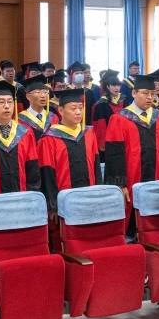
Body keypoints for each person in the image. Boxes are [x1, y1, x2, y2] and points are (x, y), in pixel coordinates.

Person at [104, 74, 159, 237]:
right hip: (131, 178)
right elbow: (114, 155)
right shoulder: (119, 118)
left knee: (156, 221)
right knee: (132, 222)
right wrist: (119, 184)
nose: (150, 97)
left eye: (153, 93)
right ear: (134, 93)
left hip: (158, 176)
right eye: (145, 93)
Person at [38, 88, 102, 223]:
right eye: (73, 108)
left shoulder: (88, 133)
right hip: (64, 201)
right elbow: (47, 174)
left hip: (90, 196)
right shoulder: (49, 139)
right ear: (61, 110)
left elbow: (96, 166)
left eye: (81, 108)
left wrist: (99, 193)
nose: (78, 112)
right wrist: (53, 205)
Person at [92, 70, 125, 154]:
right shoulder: (101, 104)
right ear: (108, 86)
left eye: (118, 85)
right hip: (109, 141)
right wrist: (102, 142)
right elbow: (100, 125)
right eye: (114, 85)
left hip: (124, 137)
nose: (117, 88)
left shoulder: (124, 100)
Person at [18, 76, 58, 141]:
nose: (43, 96)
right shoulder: (20, 119)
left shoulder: (53, 117)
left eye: (45, 92)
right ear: (28, 96)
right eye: (38, 92)